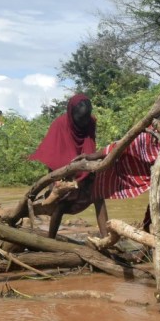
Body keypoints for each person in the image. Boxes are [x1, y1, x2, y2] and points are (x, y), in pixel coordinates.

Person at [29, 93, 108, 238]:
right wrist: (55, 183)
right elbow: (53, 154)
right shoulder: (59, 125)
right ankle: (51, 239)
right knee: (61, 204)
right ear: (71, 113)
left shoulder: (91, 122)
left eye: (86, 118)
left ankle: (106, 238)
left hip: (85, 167)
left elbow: (89, 146)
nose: (84, 122)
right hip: (64, 171)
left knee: (98, 196)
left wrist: (90, 167)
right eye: (81, 119)